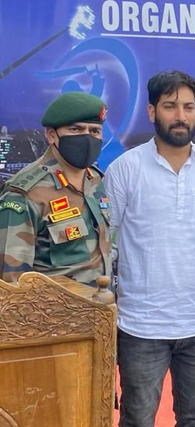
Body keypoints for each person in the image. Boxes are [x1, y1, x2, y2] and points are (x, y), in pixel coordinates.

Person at [105, 70, 195, 427]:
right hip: (140, 327)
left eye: (189, 107)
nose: (181, 115)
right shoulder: (125, 169)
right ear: (151, 112)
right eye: (170, 106)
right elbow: (105, 243)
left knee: (194, 426)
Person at [0, 91, 111, 285]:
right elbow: (12, 285)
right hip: (52, 313)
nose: (87, 138)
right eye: (76, 130)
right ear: (52, 135)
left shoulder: (95, 180)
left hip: (101, 310)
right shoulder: (24, 193)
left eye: (94, 131)